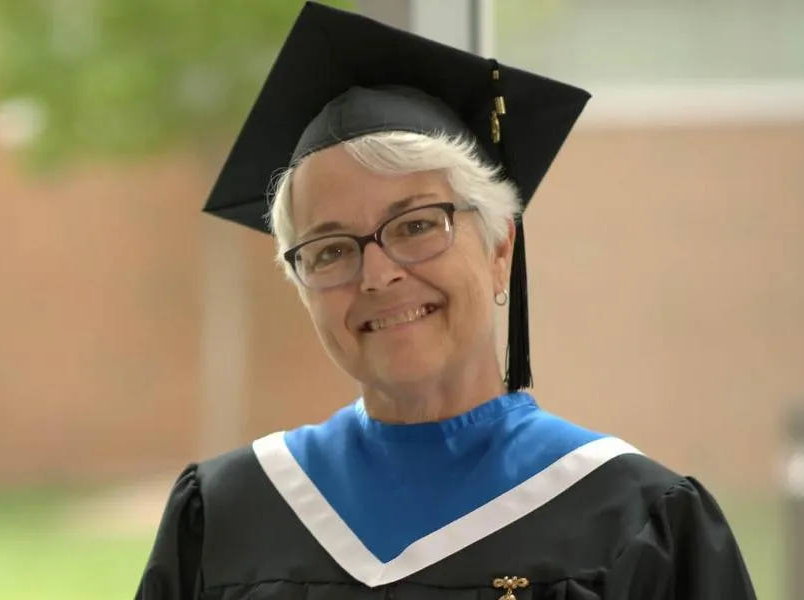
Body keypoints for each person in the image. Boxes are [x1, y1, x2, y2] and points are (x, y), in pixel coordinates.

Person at [134, 3, 758, 599]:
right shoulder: (225, 516)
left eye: (415, 226)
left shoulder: (637, 520)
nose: (376, 275)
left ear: (498, 251)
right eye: (329, 250)